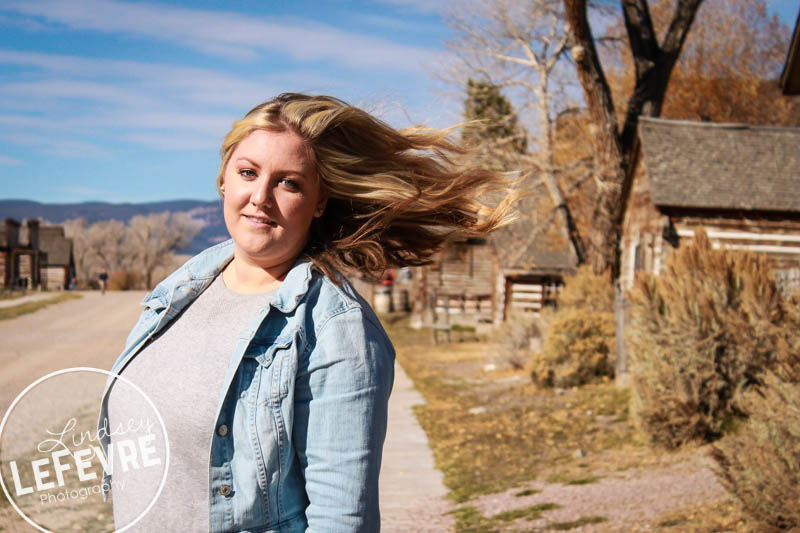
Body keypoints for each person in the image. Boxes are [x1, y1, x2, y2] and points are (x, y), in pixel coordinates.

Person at [96, 93, 516, 532]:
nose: (260, 197)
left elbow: (341, 520)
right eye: (248, 173)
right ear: (224, 179)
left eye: (288, 183)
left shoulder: (336, 329)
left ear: (319, 200)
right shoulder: (179, 293)